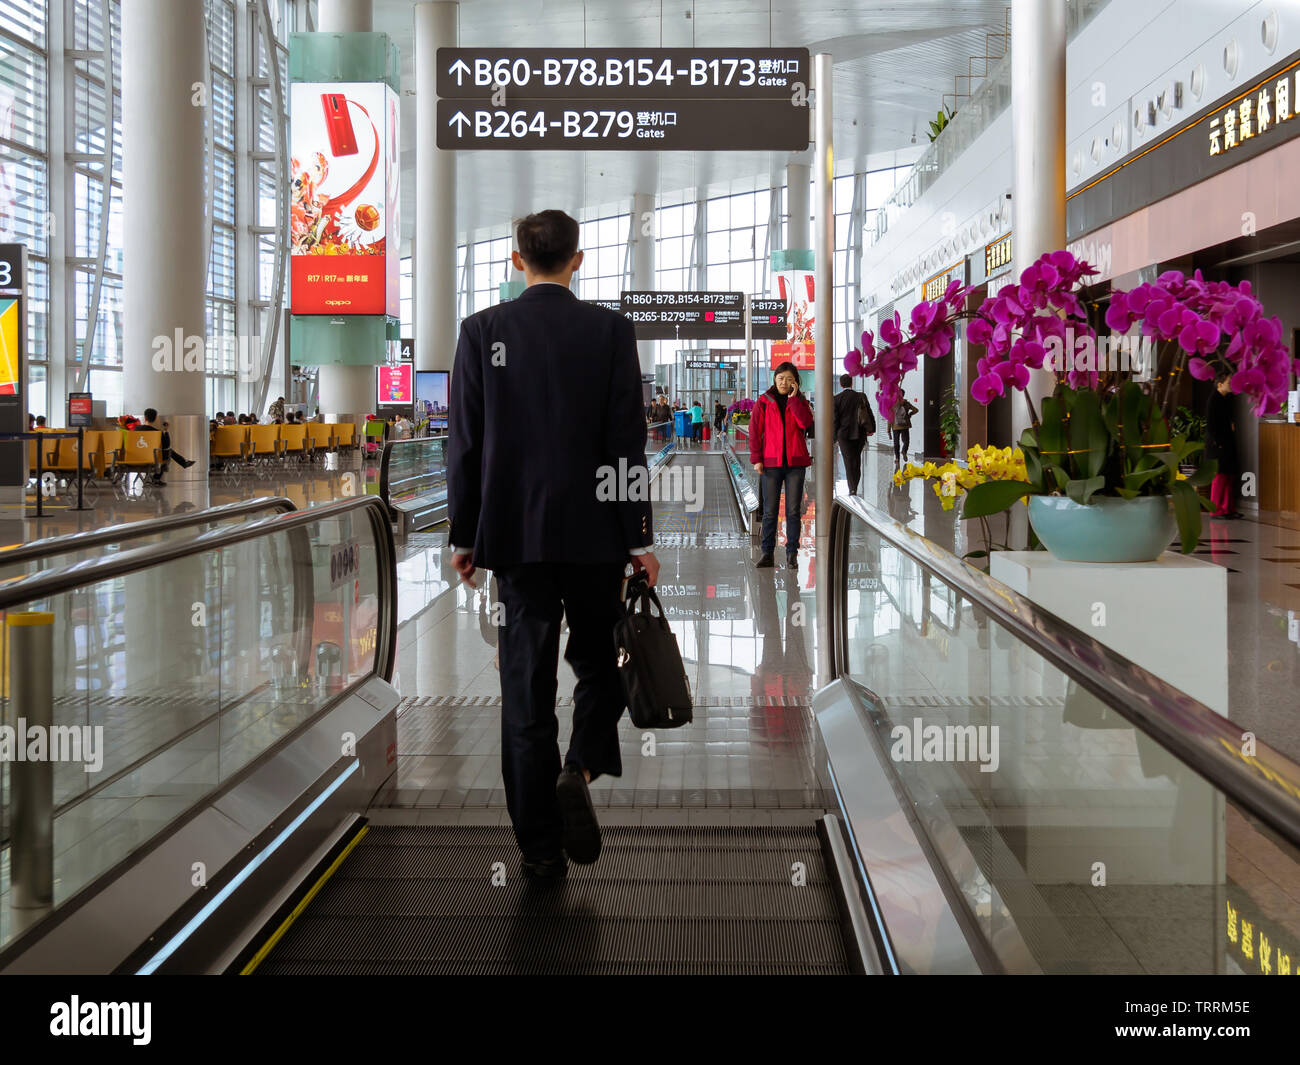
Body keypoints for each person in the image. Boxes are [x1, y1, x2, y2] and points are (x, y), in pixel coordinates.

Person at [447, 208, 659, 882]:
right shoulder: (609, 331)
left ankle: (538, 850)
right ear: (579, 259)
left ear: (517, 260)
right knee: (603, 667)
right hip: (596, 537)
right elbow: (627, 443)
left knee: (525, 690)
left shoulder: (482, 331)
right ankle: (581, 766)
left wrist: (465, 534)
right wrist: (639, 539)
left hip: (515, 539)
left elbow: (466, 445)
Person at [750, 362, 814, 570]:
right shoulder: (763, 402)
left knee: (793, 511)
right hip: (771, 464)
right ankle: (767, 552)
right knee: (769, 511)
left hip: (796, 463)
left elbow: (805, 423)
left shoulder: (800, 402)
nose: (784, 383)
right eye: (780, 379)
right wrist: (757, 458)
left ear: (795, 381)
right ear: (774, 380)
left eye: (788, 379)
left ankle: (791, 553)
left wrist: (794, 400)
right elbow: (754, 431)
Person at [1206, 375, 1241, 519]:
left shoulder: (1225, 399)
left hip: (1226, 443)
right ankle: (1216, 510)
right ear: (1219, 384)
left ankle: (1228, 509)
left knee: (1228, 477)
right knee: (1220, 477)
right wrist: (1218, 443)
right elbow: (1211, 425)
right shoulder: (1214, 400)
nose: (1231, 385)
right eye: (1228, 382)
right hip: (1218, 445)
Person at [833, 374, 875, 495]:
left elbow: (835, 420)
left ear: (841, 385)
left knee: (848, 460)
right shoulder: (861, 396)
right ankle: (854, 486)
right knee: (856, 460)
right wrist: (871, 429)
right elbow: (869, 412)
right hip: (860, 433)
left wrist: (834, 437)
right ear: (852, 383)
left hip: (844, 435)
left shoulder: (837, 398)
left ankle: (852, 488)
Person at [139, 407, 195, 484]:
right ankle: (157, 478)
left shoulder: (136, 429)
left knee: (167, 452)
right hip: (152, 457)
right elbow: (166, 445)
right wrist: (166, 431)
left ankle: (184, 462)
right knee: (168, 452)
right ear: (155, 419)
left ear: (145, 417)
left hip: (137, 456)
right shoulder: (157, 433)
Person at [891, 395, 918, 469]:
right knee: (906, 441)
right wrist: (909, 415)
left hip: (895, 426)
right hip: (905, 425)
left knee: (896, 443)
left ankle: (897, 458)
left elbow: (889, 416)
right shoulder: (906, 403)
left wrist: (888, 430)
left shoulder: (892, 404)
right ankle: (904, 451)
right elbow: (916, 410)